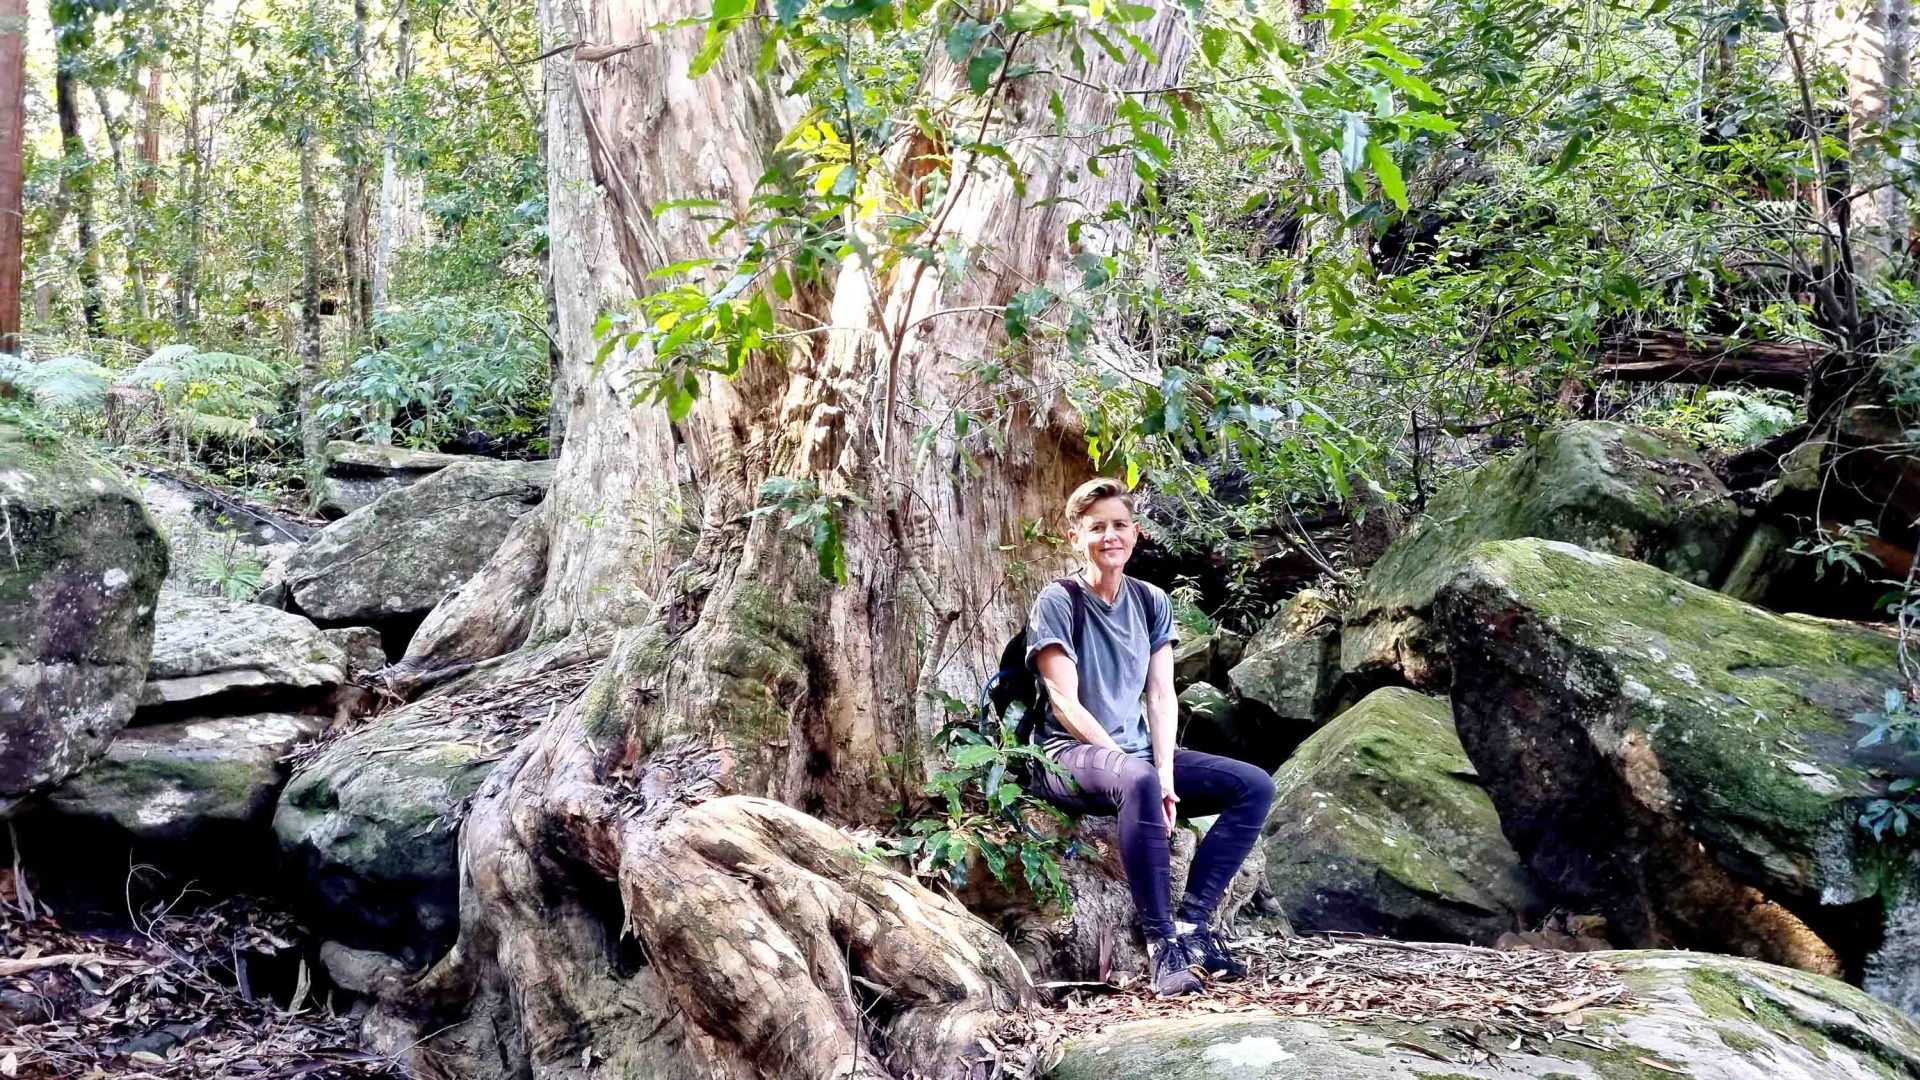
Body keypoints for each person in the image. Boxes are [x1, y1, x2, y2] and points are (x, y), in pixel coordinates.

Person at [1025, 478, 1276, 997]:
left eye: (1119, 525)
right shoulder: (1059, 600)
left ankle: (1193, 925)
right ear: (1076, 537)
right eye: (1097, 528)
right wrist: (1130, 769)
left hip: (1138, 756)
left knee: (1252, 786)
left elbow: (1161, 697)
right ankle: (1161, 944)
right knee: (1135, 778)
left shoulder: (1150, 601)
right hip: (1066, 755)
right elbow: (1064, 701)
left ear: (1136, 534)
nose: (1110, 536)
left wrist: (1164, 773)